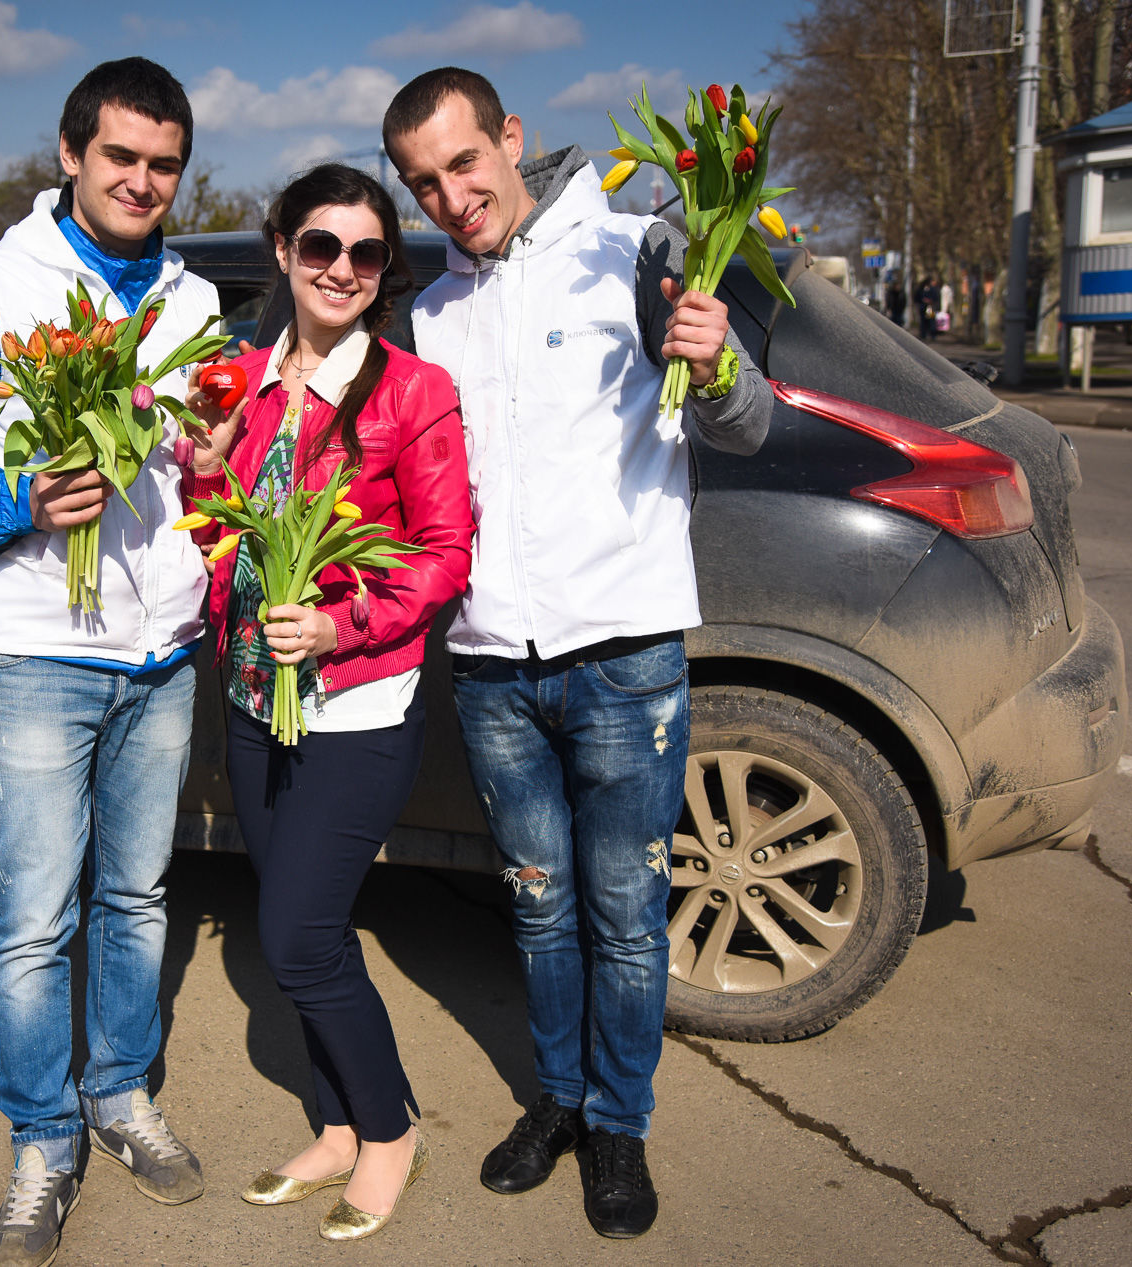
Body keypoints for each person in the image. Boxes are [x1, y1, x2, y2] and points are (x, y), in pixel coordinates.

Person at [381, 67, 772, 1242]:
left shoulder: (633, 251)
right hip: (492, 666)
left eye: (463, 162)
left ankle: (619, 1125)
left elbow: (746, 425)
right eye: (422, 183)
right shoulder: (432, 311)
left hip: (621, 657)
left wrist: (718, 364)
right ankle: (556, 1100)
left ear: (511, 138)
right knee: (540, 910)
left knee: (627, 915)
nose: (451, 196)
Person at [0, 57, 215, 1267]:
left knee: (137, 900)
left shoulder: (190, 301)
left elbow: (199, 468)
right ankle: (41, 1141)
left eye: (163, 165)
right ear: (70, 154)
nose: (140, 181)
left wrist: (218, 469)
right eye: (119, 156)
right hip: (34, 654)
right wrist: (19, 498)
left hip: (160, 655)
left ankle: (117, 1094)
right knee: (31, 918)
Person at [182, 163, 473, 1244]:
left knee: (297, 936)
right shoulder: (245, 384)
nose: (341, 268)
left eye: (365, 252)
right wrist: (205, 469)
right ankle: (340, 1125)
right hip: (254, 698)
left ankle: (391, 1131)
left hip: (356, 707)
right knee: (309, 929)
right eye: (320, 245)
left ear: (384, 268)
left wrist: (341, 626)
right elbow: (220, 530)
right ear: (283, 250)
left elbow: (445, 553)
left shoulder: (412, 390)